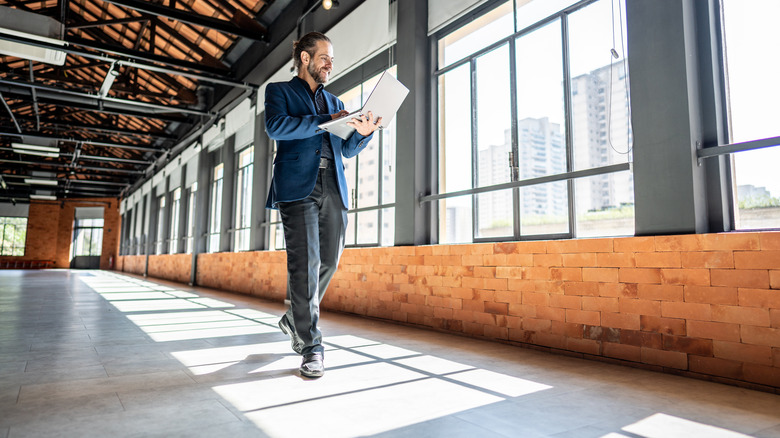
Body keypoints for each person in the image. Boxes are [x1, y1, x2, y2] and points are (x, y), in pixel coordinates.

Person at [264, 31, 382, 378]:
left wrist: (363, 130)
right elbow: (276, 127)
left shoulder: (335, 102)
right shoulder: (279, 92)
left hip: (333, 186)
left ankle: (293, 320)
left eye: (332, 58)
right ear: (304, 58)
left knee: (328, 260)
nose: (330, 63)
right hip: (297, 188)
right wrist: (325, 123)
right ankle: (311, 346)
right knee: (306, 265)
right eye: (324, 57)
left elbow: (344, 149)